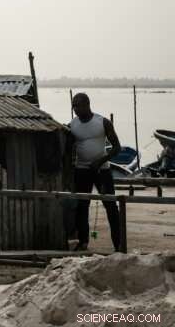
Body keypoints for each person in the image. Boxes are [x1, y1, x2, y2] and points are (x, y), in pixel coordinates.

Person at [67, 92, 122, 251]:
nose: (75, 109)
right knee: (82, 206)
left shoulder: (102, 122)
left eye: (77, 105)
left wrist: (100, 161)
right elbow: (68, 148)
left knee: (111, 207)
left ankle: (118, 245)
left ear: (87, 104)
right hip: (81, 170)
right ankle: (83, 242)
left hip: (102, 171)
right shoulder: (73, 125)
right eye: (73, 105)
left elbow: (117, 147)